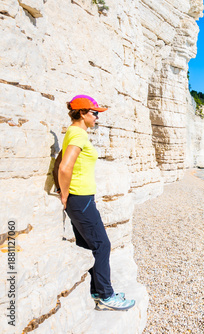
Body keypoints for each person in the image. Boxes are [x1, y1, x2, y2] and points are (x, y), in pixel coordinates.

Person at [53, 95, 135, 311]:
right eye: (94, 112)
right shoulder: (78, 135)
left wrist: (66, 193)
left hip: (81, 198)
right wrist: (64, 194)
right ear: (82, 113)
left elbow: (63, 162)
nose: (97, 117)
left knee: (88, 245)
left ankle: (97, 291)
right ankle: (106, 296)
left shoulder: (74, 133)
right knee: (102, 245)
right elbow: (64, 167)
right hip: (79, 198)